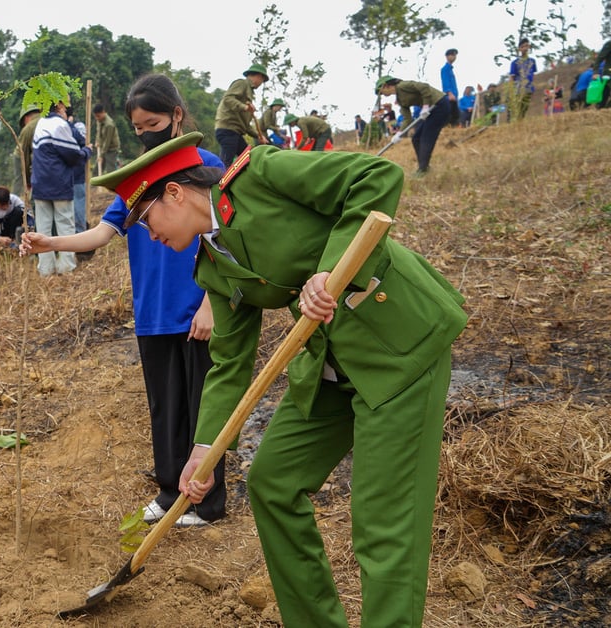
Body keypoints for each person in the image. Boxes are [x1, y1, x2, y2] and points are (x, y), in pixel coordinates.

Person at [91, 131, 466, 628]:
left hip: (399, 348)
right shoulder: (211, 269)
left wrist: (330, 271)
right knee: (272, 483)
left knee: (383, 522)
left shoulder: (261, 174)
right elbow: (229, 363)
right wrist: (204, 448)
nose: (146, 234)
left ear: (175, 193)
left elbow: (377, 177)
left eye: (146, 219)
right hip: (328, 365)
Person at [20, 73, 229, 527]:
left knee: (202, 407)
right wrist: (51, 244)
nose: (144, 133)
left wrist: (212, 301)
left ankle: (209, 503)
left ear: (177, 115)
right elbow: (104, 232)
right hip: (152, 311)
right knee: (164, 407)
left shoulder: (205, 165)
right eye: (136, 128)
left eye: (151, 122)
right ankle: (171, 489)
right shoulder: (136, 180)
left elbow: (225, 236)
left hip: (196, 309)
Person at [30, 98, 92, 276]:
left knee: (43, 228)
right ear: (59, 106)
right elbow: (73, 156)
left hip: (40, 185)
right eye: (65, 106)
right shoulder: (59, 124)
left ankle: (46, 269)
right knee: (65, 226)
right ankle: (66, 267)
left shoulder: (41, 123)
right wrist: (87, 151)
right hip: (58, 184)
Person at [376, 75, 449, 177]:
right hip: (430, 111)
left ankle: (422, 170)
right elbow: (407, 119)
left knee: (426, 137)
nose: (382, 94)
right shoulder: (400, 99)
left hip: (439, 104)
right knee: (416, 138)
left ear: (386, 86)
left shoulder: (403, 85)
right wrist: (399, 133)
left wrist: (425, 105)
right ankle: (424, 167)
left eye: (381, 91)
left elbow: (424, 87)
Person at [214, 63, 268, 166]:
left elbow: (245, 125)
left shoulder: (249, 92)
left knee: (248, 160)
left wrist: (259, 136)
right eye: (262, 80)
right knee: (226, 164)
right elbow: (227, 99)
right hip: (228, 129)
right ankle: (220, 181)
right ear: (258, 76)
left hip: (236, 132)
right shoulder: (242, 83)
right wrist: (245, 107)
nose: (261, 83)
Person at [508, 38, 537, 121]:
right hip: (519, 88)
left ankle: (520, 121)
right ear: (519, 49)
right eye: (523, 46)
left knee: (525, 107)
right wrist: (511, 91)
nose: (525, 48)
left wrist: (532, 87)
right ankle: (516, 122)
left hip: (528, 87)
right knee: (518, 107)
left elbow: (532, 75)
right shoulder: (515, 63)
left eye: (527, 46)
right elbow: (512, 77)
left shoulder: (532, 61)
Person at [17, 103, 42, 193]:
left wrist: (27, 181)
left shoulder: (28, 128)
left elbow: (23, 158)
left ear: (26, 118)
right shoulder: (52, 121)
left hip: (39, 175)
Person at [93, 103, 121, 175]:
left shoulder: (109, 125)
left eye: (98, 116)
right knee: (97, 169)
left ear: (103, 112)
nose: (97, 118)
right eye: (95, 116)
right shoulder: (99, 120)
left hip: (111, 149)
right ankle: (94, 185)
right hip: (103, 148)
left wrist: (101, 156)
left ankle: (112, 185)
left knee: (110, 171)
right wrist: (97, 141)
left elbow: (107, 142)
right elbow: (98, 132)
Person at [441, 48, 460, 126]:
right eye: (452, 55)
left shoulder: (450, 69)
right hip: (450, 96)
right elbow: (445, 82)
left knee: (456, 115)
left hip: (454, 95)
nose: (454, 57)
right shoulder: (445, 69)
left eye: (455, 55)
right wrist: (449, 93)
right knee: (450, 115)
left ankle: (453, 128)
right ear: (447, 56)